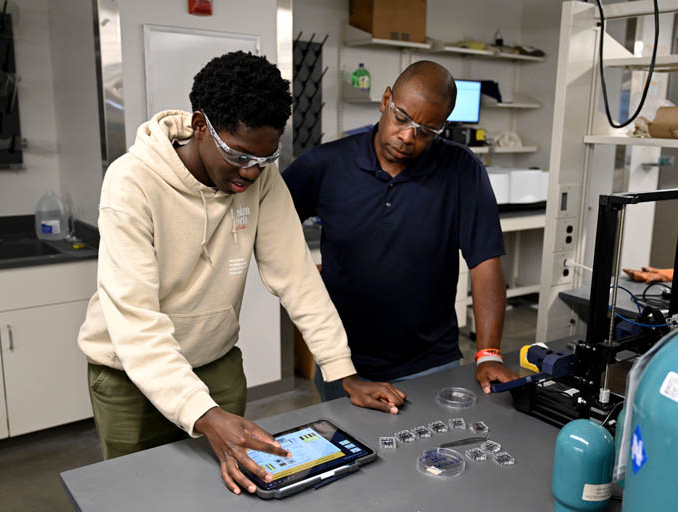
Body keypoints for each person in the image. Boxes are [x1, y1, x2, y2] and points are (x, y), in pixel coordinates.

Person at [77, 51, 404, 496]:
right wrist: (204, 415)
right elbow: (134, 321)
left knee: (228, 492)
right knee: (143, 496)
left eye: (266, 157)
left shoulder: (260, 180)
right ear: (198, 125)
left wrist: (341, 371)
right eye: (237, 154)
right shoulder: (131, 182)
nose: (249, 172)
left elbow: (298, 279)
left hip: (216, 363)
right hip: (129, 376)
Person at [282, 60, 519, 402]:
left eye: (426, 130)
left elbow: (485, 261)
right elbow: (269, 228)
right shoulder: (325, 164)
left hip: (430, 361)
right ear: (386, 100)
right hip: (344, 364)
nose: (408, 137)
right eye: (402, 118)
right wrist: (302, 276)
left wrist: (489, 353)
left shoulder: (462, 170)